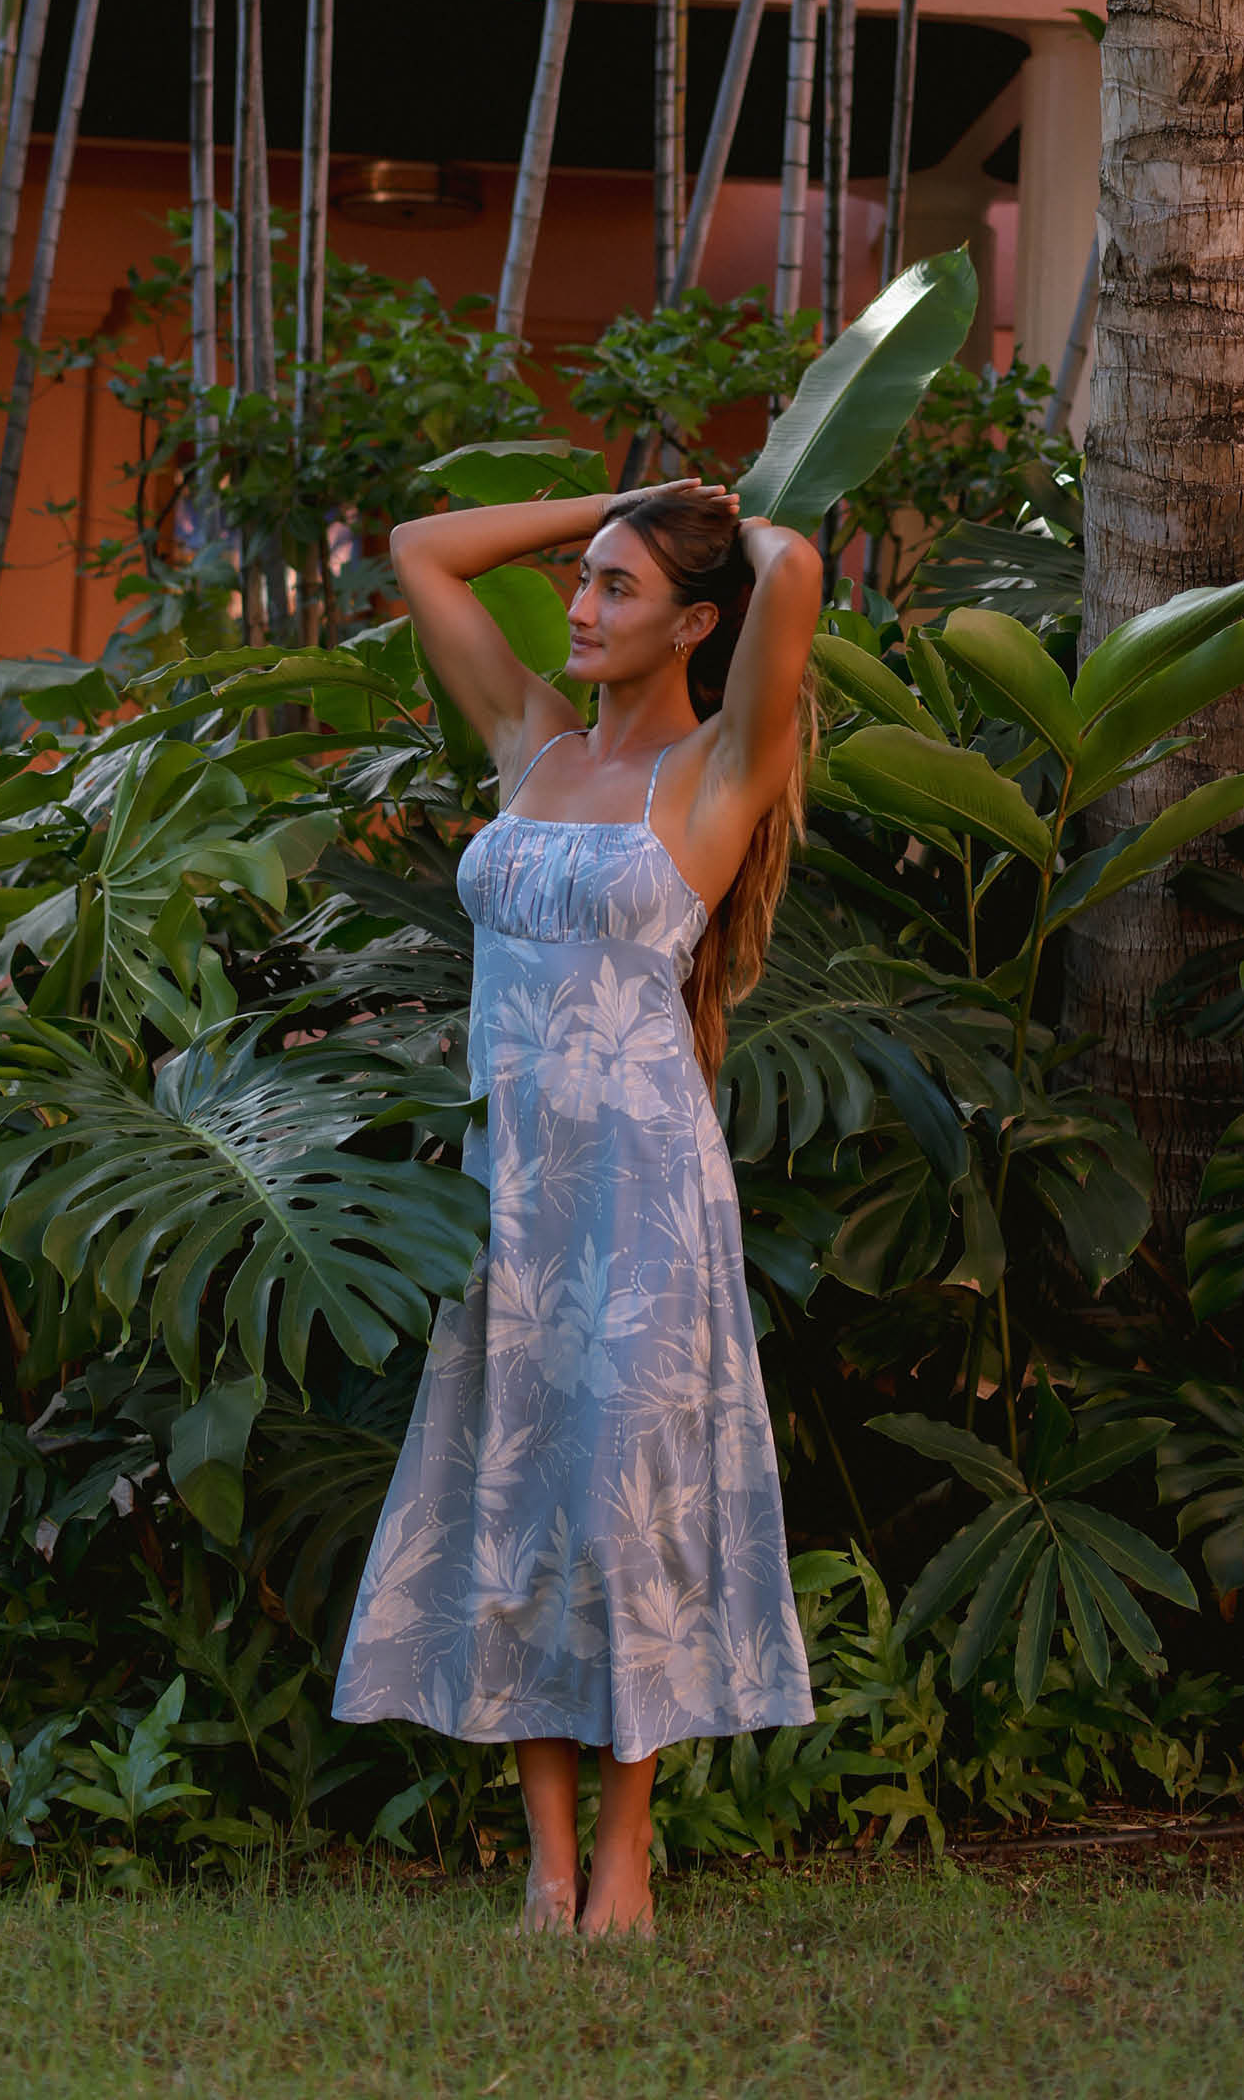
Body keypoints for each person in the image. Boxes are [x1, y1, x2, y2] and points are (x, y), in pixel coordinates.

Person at [332, 475, 822, 1937]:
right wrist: (621, 504)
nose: (584, 606)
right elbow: (422, 549)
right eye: (584, 580)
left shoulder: (720, 768)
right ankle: (547, 1863)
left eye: (619, 588)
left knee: (622, 1515)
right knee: (521, 1510)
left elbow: (793, 572)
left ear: (696, 625)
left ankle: (625, 1854)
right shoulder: (531, 741)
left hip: (640, 1194)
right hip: (507, 1193)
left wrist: (737, 517)